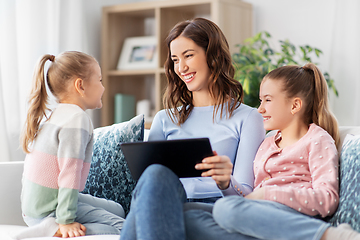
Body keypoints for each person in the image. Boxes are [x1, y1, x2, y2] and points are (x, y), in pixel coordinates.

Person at [120, 18, 265, 240]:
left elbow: (247, 195)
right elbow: (145, 186)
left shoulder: (248, 117)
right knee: (155, 173)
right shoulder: (164, 119)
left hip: (215, 210)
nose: (181, 68)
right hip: (165, 201)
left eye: (188, 55)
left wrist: (226, 182)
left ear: (213, 56)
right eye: (175, 60)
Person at [185, 63, 360, 240]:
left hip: (292, 214)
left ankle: (329, 235)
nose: (260, 109)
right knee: (187, 212)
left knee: (225, 209)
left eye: (267, 100)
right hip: (260, 213)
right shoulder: (267, 141)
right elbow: (250, 198)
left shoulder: (317, 140)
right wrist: (226, 182)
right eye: (261, 101)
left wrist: (268, 194)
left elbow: (327, 199)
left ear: (295, 105)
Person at [15, 51, 125, 239]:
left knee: (118, 209)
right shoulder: (76, 119)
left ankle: (52, 222)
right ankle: (51, 228)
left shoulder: (56, 114)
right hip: (50, 210)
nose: (103, 88)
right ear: (80, 85)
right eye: (99, 80)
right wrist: (66, 221)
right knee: (125, 227)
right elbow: (69, 173)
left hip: (34, 208)